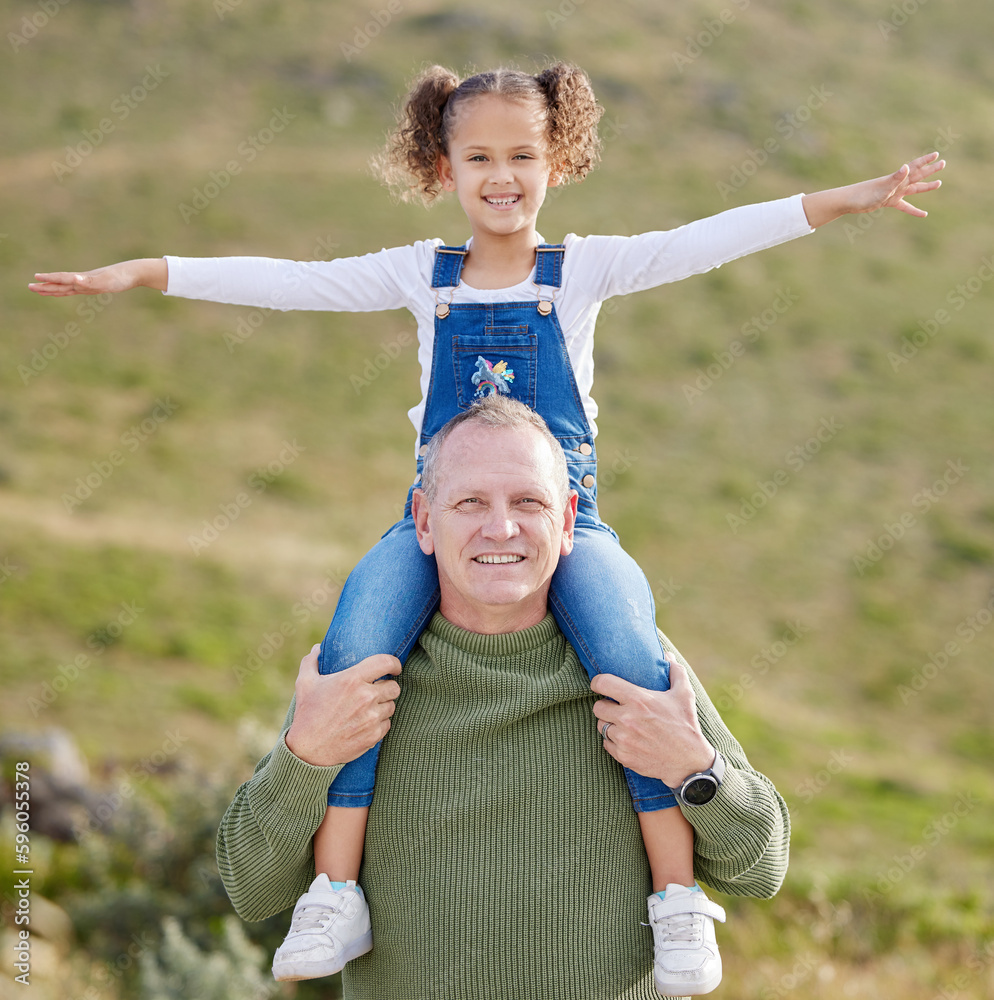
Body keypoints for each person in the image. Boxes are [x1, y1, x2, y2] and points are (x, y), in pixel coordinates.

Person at [30, 62, 944, 991]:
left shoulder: (584, 268)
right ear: (443, 165)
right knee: (353, 646)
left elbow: (707, 239)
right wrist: (148, 271)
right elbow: (288, 281)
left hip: (573, 531)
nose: (501, 175)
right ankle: (335, 891)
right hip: (428, 524)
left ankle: (674, 902)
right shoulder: (415, 277)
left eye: (523, 153)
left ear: (560, 159)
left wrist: (845, 200)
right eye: (478, 156)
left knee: (630, 653)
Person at [215, 394, 791, 1000]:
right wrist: (305, 756)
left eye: (528, 502)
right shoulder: (358, 675)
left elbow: (761, 868)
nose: (501, 527)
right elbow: (253, 888)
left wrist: (695, 772)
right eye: (470, 502)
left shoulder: (634, 665)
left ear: (568, 521)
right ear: (425, 520)